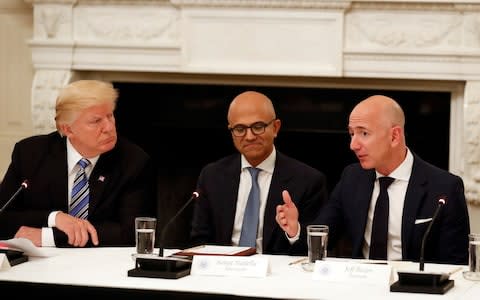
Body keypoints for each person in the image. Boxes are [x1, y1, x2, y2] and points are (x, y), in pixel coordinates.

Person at [276, 95, 470, 264]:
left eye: (364, 133)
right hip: (361, 286)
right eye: (352, 133)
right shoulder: (352, 178)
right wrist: (296, 230)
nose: (353, 144)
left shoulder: (445, 187)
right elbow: (324, 237)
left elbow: (455, 264)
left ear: (394, 136)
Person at [0, 80, 156, 247]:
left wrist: (48, 237)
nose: (109, 127)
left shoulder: (133, 161)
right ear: (67, 129)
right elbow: (3, 216)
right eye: (96, 121)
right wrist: (54, 218)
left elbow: (131, 232)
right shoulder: (30, 154)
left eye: (110, 116)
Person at [190, 90, 327, 255]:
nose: (249, 136)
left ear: (275, 128)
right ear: (231, 131)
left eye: (258, 127)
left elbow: (315, 250)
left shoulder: (308, 180)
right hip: (223, 270)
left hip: (277, 275)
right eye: (240, 128)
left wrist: (294, 232)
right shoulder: (212, 176)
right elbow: (199, 240)